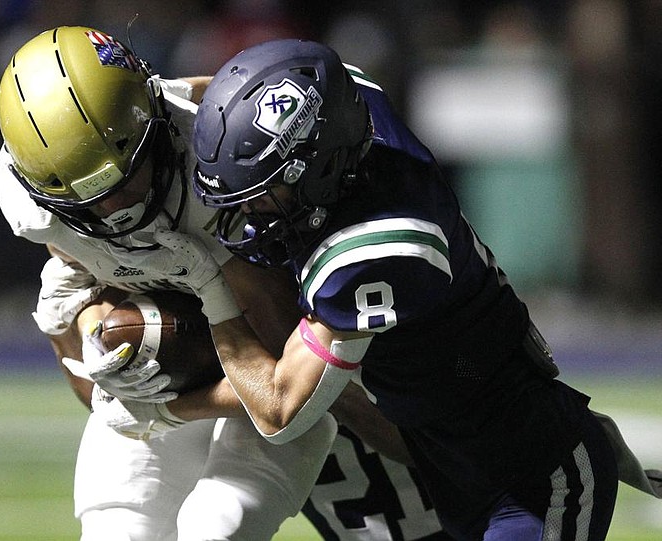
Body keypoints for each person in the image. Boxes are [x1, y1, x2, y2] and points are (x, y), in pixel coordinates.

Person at [0, 26, 452, 540]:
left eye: (128, 177)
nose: (115, 209)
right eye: (89, 201)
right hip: (227, 365)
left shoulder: (223, 161)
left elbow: (286, 390)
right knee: (116, 523)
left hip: (303, 362)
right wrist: (102, 347)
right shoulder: (37, 207)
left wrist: (168, 404)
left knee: (218, 526)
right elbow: (70, 317)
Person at [183, 38, 624, 540]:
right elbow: (234, 100)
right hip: (451, 463)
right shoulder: (345, 106)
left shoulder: (371, 252)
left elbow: (280, 407)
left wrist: (208, 289)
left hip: (531, 477)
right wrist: (168, 94)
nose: (251, 211)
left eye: (267, 192)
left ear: (322, 169)